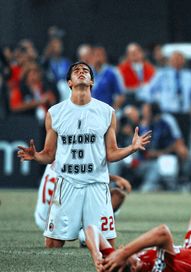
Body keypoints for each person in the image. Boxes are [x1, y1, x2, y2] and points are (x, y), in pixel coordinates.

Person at [17, 61, 151, 249]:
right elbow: (49, 155)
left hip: (97, 184)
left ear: (92, 82)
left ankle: (85, 236)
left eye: (85, 71)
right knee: (52, 244)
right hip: (67, 184)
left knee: (107, 247)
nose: (81, 72)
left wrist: (131, 148)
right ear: (69, 83)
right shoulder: (55, 113)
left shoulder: (107, 112)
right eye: (76, 71)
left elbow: (111, 153)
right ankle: (82, 237)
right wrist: (36, 156)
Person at [85, 196, 191, 272]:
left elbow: (92, 229)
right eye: (123, 254)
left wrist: (96, 255)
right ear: (133, 267)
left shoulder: (115, 265)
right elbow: (163, 233)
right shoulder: (155, 271)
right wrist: (124, 253)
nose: (121, 249)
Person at [35, 162, 132, 232]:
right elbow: (88, 175)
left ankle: (85, 228)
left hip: (41, 217)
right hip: (56, 223)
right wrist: (117, 179)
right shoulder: (71, 157)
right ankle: (86, 232)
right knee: (116, 195)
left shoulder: (57, 156)